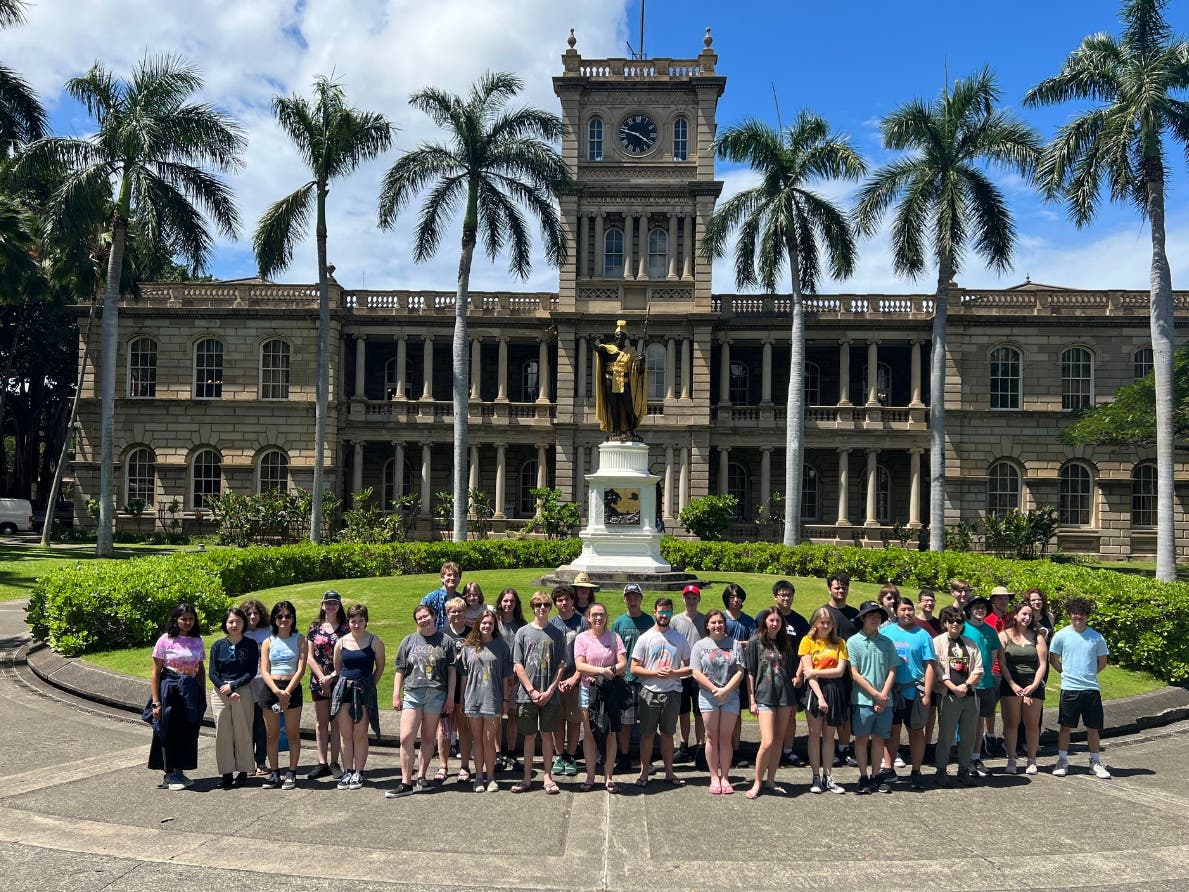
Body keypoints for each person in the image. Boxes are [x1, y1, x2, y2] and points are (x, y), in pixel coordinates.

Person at [387, 604, 456, 799]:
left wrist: (450, 697)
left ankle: (422, 777)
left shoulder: (446, 641)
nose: (423, 620)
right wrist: (396, 694)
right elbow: (400, 669)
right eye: (419, 618)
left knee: (427, 738)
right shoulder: (409, 640)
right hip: (413, 693)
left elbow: (452, 671)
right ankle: (405, 781)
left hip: (436, 693)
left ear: (433, 616)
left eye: (426, 616)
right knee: (406, 737)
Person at [631, 597, 693, 789]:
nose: (664, 615)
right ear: (655, 612)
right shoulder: (645, 638)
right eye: (661, 611)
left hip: (673, 692)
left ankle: (669, 772)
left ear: (671, 613)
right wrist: (654, 673)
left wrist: (674, 673)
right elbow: (634, 668)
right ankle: (643, 773)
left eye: (667, 612)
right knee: (647, 735)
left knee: (667, 734)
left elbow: (690, 668)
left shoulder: (679, 638)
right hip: (650, 691)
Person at [512, 591, 568, 794]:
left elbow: (562, 665)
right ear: (532, 608)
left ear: (550, 607)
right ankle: (527, 777)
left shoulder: (557, 634)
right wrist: (532, 690)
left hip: (550, 694)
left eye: (545, 604)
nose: (542, 608)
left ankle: (547, 777)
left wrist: (551, 690)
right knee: (528, 736)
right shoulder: (523, 633)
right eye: (538, 605)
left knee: (547, 735)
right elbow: (518, 664)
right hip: (527, 694)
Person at [1049, 597, 1111, 779]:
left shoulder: (1097, 637)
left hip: (1091, 688)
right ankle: (1062, 760)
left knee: (1093, 727)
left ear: (1087, 616)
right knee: (1065, 727)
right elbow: (1054, 658)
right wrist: (1066, 673)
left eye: (1083, 614)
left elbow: (1102, 662)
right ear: (1070, 614)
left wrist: (1088, 674)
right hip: (1069, 688)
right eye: (1076, 613)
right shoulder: (1061, 635)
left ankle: (1095, 762)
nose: (1079, 617)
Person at [148, 603, 207, 791]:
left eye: (191, 618)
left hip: (190, 691)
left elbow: (201, 669)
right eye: (183, 619)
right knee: (167, 730)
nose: (187, 622)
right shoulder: (165, 640)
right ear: (176, 620)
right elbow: (156, 672)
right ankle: (169, 773)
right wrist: (156, 701)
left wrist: (201, 694)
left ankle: (180, 771)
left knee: (187, 731)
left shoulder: (197, 640)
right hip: (170, 689)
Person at [880, 596, 936, 791]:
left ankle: (916, 771)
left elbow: (930, 665)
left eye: (910, 609)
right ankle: (888, 769)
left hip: (915, 690)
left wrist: (927, 693)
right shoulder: (886, 632)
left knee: (916, 732)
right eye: (903, 610)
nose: (907, 613)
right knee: (892, 731)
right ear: (895, 612)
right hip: (893, 691)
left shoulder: (923, 635)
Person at [690, 608, 745, 795]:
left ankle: (726, 776)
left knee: (725, 737)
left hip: (730, 696)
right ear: (707, 625)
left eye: (720, 622)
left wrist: (726, 690)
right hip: (708, 697)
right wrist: (714, 689)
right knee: (711, 736)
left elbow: (740, 670)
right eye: (713, 622)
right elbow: (695, 672)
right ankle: (714, 776)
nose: (717, 625)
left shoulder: (735, 644)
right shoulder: (699, 645)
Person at [573, 602, 627, 792]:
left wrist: (610, 671)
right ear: (588, 617)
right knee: (589, 733)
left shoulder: (614, 637)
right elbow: (580, 665)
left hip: (609, 691)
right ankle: (590, 776)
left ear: (606, 617)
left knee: (611, 734)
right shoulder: (581, 638)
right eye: (594, 614)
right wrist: (602, 671)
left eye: (601, 614)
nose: (598, 618)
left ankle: (608, 777)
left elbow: (623, 663)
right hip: (588, 691)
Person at [331, 603, 385, 791]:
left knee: (360, 734)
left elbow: (380, 667)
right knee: (345, 734)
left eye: (360, 620)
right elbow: (338, 668)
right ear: (348, 622)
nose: (356, 624)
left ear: (366, 621)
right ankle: (347, 771)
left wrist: (369, 685)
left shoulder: (374, 641)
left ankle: (359, 772)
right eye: (353, 621)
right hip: (344, 690)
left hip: (364, 691)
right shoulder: (342, 642)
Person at [459, 609, 514, 793]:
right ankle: (479, 777)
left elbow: (507, 677)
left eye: (490, 623)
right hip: (473, 699)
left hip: (493, 699)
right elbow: (464, 677)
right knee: (477, 740)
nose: (486, 626)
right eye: (483, 623)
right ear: (478, 624)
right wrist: (462, 699)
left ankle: (491, 777)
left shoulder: (502, 646)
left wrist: (506, 699)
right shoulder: (468, 646)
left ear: (494, 626)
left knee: (489, 740)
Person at [744, 607, 797, 799]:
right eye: (771, 620)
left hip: (784, 696)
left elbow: (790, 671)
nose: (774, 624)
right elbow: (750, 672)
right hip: (764, 696)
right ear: (765, 622)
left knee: (778, 741)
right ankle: (757, 782)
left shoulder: (785, 642)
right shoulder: (755, 642)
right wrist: (751, 699)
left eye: (778, 621)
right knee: (767, 741)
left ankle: (771, 780)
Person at [848, 601, 898, 794]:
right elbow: (854, 673)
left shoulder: (887, 642)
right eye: (871, 615)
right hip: (862, 700)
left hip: (885, 700)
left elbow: (892, 670)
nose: (875, 618)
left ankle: (876, 775)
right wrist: (875, 694)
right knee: (861, 739)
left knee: (879, 739)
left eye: (878, 615)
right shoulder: (853, 641)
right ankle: (863, 776)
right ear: (863, 618)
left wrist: (883, 695)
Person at [799, 607, 849, 794]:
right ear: (815, 623)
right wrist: (820, 697)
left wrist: (815, 671)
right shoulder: (807, 642)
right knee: (814, 734)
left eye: (829, 623)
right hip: (815, 690)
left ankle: (829, 777)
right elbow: (808, 674)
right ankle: (815, 777)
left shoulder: (840, 643)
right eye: (822, 622)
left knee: (829, 736)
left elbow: (840, 671)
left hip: (834, 688)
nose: (826, 626)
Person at [208, 607, 259, 789]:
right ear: (225, 624)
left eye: (238, 621)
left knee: (243, 730)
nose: (234, 625)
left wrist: (234, 686)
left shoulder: (250, 645)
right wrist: (227, 689)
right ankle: (226, 773)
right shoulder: (217, 646)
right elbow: (212, 673)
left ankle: (244, 771)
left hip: (242, 690)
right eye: (230, 622)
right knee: (223, 733)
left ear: (244, 623)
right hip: (220, 692)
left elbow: (251, 671)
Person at [933, 605, 984, 786]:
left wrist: (967, 685)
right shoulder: (937, 642)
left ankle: (963, 770)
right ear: (945, 623)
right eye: (952, 621)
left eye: (959, 621)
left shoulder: (970, 643)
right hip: (948, 695)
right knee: (946, 736)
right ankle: (941, 771)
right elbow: (936, 669)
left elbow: (979, 668)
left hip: (969, 696)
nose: (956, 624)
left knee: (968, 736)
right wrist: (952, 687)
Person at [259, 600, 308, 790]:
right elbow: (264, 670)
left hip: (292, 689)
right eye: (280, 616)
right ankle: (274, 773)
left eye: (288, 616)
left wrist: (287, 691)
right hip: (272, 689)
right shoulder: (268, 641)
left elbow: (301, 669)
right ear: (274, 619)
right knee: (271, 736)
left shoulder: (300, 640)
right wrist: (277, 691)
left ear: (293, 618)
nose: (284, 619)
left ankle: (292, 772)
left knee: (292, 734)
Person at [998, 599, 1047, 775]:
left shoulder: (1038, 636)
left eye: (1029, 614)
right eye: (1023, 614)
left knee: (1032, 724)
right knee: (1011, 722)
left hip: (1032, 682)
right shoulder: (1004, 635)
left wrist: (1033, 685)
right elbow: (1002, 663)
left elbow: (1042, 664)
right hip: (1011, 681)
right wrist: (1012, 684)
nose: (1027, 617)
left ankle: (1031, 759)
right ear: (1015, 615)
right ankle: (1011, 758)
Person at [306, 590, 349, 781]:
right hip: (318, 681)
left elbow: (348, 655)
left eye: (335, 603)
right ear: (322, 605)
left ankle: (334, 762)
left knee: (336, 723)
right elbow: (308, 655)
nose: (331, 606)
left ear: (339, 606)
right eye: (328, 603)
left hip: (338, 680)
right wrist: (322, 677)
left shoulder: (346, 628)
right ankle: (322, 762)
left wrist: (332, 676)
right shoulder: (314, 627)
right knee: (321, 723)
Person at [610, 583, 654, 773]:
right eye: (629, 597)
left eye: (636, 597)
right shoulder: (619, 623)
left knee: (646, 722)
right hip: (626, 678)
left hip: (646, 678)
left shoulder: (649, 621)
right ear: (625, 599)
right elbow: (613, 650)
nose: (633, 600)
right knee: (626, 722)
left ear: (641, 599)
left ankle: (645, 760)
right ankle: (625, 756)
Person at [963, 595, 1005, 776]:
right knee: (967, 723)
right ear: (970, 610)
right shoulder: (963, 628)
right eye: (976, 607)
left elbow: (994, 655)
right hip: (967, 683)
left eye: (982, 607)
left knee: (980, 722)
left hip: (986, 682)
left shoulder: (990, 630)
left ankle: (975, 757)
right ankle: (964, 760)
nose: (979, 610)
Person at [550, 585, 588, 779]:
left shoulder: (582, 622)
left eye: (566, 599)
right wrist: (555, 681)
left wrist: (575, 678)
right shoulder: (551, 623)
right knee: (557, 720)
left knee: (574, 720)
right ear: (555, 603)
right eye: (559, 600)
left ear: (573, 601)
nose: (563, 603)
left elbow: (588, 652)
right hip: (556, 680)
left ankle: (571, 756)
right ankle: (559, 756)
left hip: (576, 678)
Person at [822, 572, 858, 767]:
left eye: (844, 587)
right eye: (837, 587)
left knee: (846, 711)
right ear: (829, 589)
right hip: (828, 671)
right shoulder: (824, 614)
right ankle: (829, 747)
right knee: (829, 711)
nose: (840, 590)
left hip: (850, 671)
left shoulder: (855, 614)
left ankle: (844, 748)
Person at [772, 579, 810, 768]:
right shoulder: (768, 617)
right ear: (775, 596)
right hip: (772, 676)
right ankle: (773, 749)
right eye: (782, 594)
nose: (786, 598)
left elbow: (805, 652)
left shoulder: (800, 621)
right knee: (772, 713)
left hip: (793, 674)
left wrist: (800, 674)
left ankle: (788, 750)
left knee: (792, 714)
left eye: (789, 595)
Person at [438, 597, 473, 784]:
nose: (457, 615)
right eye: (453, 611)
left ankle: (464, 766)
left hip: (466, 688)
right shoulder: (441, 635)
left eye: (460, 611)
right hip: (444, 688)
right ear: (447, 614)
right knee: (444, 728)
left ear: (464, 612)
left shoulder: (472, 634)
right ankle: (443, 765)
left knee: (464, 727)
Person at [593, 320, 648, 438]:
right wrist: (593, 345)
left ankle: (631, 429)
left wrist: (642, 362)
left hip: (625, 382)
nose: (619, 338)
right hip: (610, 381)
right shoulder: (608, 349)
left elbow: (638, 370)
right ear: (615, 337)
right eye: (617, 336)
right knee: (614, 407)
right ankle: (616, 430)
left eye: (622, 336)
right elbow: (598, 350)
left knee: (629, 407)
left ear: (625, 338)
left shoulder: (631, 352)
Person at [670, 583, 705, 763]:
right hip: (681, 673)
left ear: (698, 599)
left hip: (699, 673)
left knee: (699, 712)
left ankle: (700, 746)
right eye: (688, 598)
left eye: (694, 598)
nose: (691, 601)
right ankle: (684, 745)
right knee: (683, 711)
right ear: (683, 599)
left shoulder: (705, 620)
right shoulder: (675, 621)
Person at [722, 583, 755, 766]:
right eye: (732, 597)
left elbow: (753, 642)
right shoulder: (721, 618)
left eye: (738, 597)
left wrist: (736, 644)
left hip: (742, 669)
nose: (735, 600)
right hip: (723, 671)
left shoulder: (748, 621)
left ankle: (736, 748)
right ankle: (724, 747)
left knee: (737, 712)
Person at [495, 587, 526, 773]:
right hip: (496, 676)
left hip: (515, 677)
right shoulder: (494, 623)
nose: (508, 604)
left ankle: (512, 753)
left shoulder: (522, 625)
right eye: (505, 601)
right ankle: (498, 754)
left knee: (513, 715)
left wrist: (516, 673)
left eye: (511, 601)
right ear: (500, 602)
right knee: (497, 716)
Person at [240, 598, 272, 776]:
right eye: (248, 613)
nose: (252, 616)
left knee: (261, 725)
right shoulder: (240, 632)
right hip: (245, 684)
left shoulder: (268, 631)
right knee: (246, 725)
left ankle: (261, 761)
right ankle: (247, 762)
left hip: (264, 683)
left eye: (256, 613)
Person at [421, 561, 461, 631]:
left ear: (459, 579)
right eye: (449, 575)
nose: (452, 578)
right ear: (442, 578)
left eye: (456, 575)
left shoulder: (461, 598)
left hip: (456, 638)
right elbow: (421, 622)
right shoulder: (430, 598)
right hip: (436, 639)